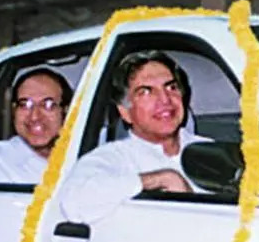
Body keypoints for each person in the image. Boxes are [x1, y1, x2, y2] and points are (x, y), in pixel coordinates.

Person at [61, 50, 205, 223]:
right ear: (125, 112)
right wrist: (159, 179)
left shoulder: (213, 152)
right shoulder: (114, 158)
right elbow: (73, 203)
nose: (165, 100)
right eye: (146, 92)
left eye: (171, 87)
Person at [0, 68, 72, 184]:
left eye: (48, 104)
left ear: (66, 110)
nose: (35, 116)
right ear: (14, 111)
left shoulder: (84, 155)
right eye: (25, 105)